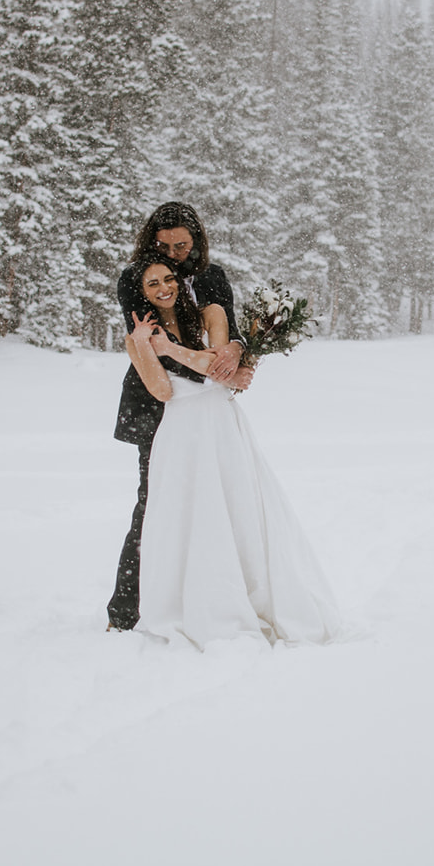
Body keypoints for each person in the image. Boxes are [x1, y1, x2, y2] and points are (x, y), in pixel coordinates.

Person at [122, 254, 342, 648]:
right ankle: (188, 606)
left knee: (237, 511)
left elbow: (220, 371)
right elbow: (162, 391)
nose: (163, 288)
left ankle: (247, 597)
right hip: (178, 435)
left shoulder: (212, 313)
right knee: (186, 517)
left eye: (168, 279)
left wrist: (170, 350)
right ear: (141, 293)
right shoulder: (138, 337)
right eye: (152, 284)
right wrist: (143, 346)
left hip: (220, 426)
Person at [106, 202, 250, 631]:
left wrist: (237, 354)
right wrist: (212, 367)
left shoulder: (211, 278)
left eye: (181, 246)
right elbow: (150, 342)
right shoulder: (135, 278)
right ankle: (127, 612)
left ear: (197, 241)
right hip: (157, 404)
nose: (172, 255)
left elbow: (229, 328)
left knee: (215, 504)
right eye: (164, 245)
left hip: (206, 409)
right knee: (154, 506)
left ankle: (208, 600)